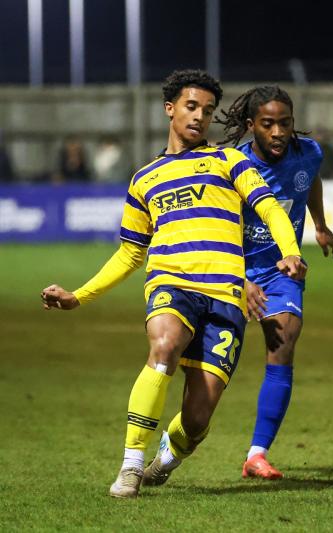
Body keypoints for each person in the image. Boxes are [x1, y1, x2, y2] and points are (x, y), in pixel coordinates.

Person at [40, 69, 306, 498]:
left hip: (225, 295)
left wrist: (290, 249)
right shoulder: (144, 179)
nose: (200, 116)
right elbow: (130, 253)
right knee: (163, 345)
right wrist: (78, 296)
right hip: (172, 281)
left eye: (207, 110)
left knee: (197, 419)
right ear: (170, 109)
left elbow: (271, 207)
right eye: (191, 106)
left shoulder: (230, 161)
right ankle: (130, 465)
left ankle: (168, 454)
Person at [215, 85, 333, 479]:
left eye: (285, 123)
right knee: (209, 373)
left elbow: (311, 182)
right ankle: (173, 444)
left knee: (284, 340)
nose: (278, 132)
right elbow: (220, 229)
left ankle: (257, 453)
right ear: (251, 125)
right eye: (267, 124)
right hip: (232, 271)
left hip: (281, 271)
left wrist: (319, 225)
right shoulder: (234, 167)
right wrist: (239, 279)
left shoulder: (309, 153)